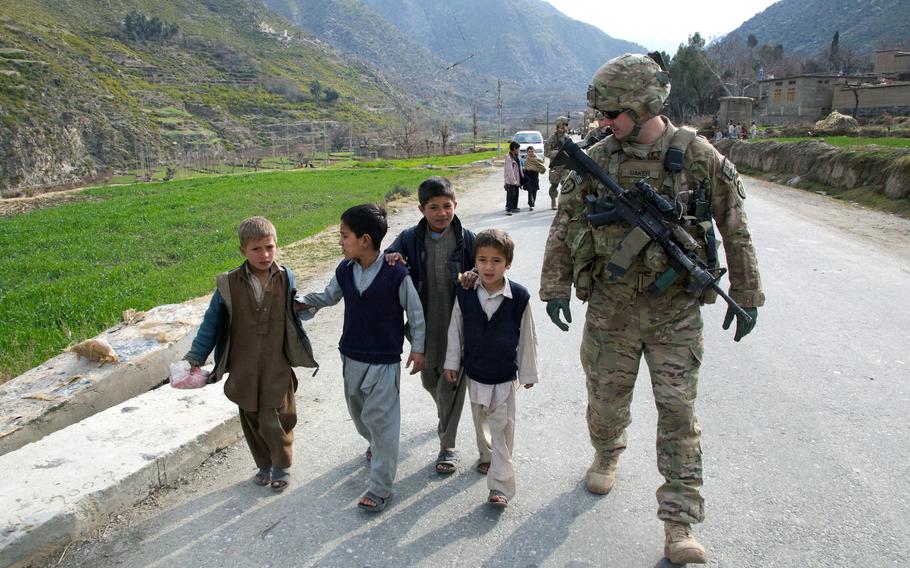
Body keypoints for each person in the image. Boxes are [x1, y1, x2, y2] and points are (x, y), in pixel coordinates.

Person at [540, 53, 764, 564]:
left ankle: (679, 522)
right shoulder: (597, 158)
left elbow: (736, 227)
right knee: (605, 403)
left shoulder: (699, 155)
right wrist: (554, 286)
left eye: (614, 112)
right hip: (610, 311)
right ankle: (607, 450)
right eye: (602, 113)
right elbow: (563, 224)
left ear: (645, 105)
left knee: (679, 415)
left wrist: (747, 293)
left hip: (675, 313)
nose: (604, 122)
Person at [298, 204, 426, 512]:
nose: (340, 242)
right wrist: (300, 303)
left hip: (384, 361)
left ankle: (380, 487)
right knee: (359, 415)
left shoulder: (396, 273)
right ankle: (376, 445)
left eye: (344, 236)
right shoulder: (344, 270)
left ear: (365, 239)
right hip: (351, 357)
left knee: (382, 422)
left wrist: (418, 348)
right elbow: (328, 296)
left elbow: (416, 314)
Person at [184, 216, 318, 493]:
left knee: (276, 417)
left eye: (270, 247)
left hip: (276, 363)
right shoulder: (227, 285)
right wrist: (194, 358)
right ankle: (264, 464)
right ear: (243, 250)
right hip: (243, 366)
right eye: (257, 249)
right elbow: (210, 325)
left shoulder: (285, 276)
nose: (265, 254)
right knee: (251, 417)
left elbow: (293, 314)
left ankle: (281, 464)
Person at [383, 176, 476, 475]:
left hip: (458, 326)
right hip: (424, 327)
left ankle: (447, 445)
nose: (441, 213)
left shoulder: (468, 239)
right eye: (433, 207)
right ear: (421, 208)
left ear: (455, 205)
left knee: (452, 382)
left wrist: (475, 273)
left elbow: (488, 266)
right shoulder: (410, 237)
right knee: (430, 381)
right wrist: (393, 257)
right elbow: (388, 256)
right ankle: (444, 411)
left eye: (446, 206)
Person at [444, 229, 538, 509]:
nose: (488, 266)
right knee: (480, 421)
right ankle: (486, 456)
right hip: (476, 373)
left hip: (505, 376)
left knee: (503, 430)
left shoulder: (519, 296)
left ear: (507, 264)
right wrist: (452, 363)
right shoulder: (466, 291)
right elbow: (455, 330)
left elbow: (527, 338)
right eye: (482, 260)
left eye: (496, 260)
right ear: (474, 262)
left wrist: (528, 372)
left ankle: (500, 487)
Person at [545, 116, 570, 209]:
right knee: (554, 185)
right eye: (562, 125)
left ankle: (564, 202)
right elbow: (546, 153)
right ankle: (553, 200)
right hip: (555, 166)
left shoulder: (567, 138)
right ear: (558, 125)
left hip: (565, 166)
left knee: (566, 184)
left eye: (565, 125)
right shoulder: (551, 139)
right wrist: (557, 152)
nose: (564, 127)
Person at [522, 146, 546, 211]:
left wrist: (534, 168)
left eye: (532, 151)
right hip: (527, 175)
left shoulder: (537, 159)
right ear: (527, 152)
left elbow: (542, 167)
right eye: (529, 152)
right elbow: (523, 166)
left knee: (534, 190)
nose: (530, 153)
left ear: (534, 151)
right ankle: (531, 204)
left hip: (534, 175)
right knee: (530, 190)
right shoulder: (525, 159)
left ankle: (533, 202)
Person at [503, 141, 522, 215]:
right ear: (514, 149)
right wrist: (514, 181)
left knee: (515, 194)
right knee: (511, 195)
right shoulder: (509, 158)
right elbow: (509, 171)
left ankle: (514, 207)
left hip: (516, 180)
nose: (519, 150)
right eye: (518, 149)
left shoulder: (516, 156)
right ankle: (509, 209)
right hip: (511, 181)